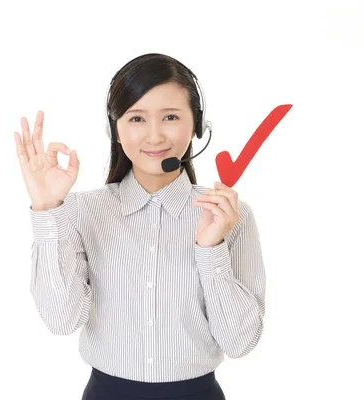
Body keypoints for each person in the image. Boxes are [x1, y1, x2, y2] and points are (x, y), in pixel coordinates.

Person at [13, 53, 266, 400]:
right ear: (115, 130)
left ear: (197, 125)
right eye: (136, 118)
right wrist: (47, 209)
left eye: (171, 117)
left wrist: (211, 251)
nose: (154, 135)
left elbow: (239, 343)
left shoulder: (228, 216)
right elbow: (61, 320)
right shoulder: (82, 210)